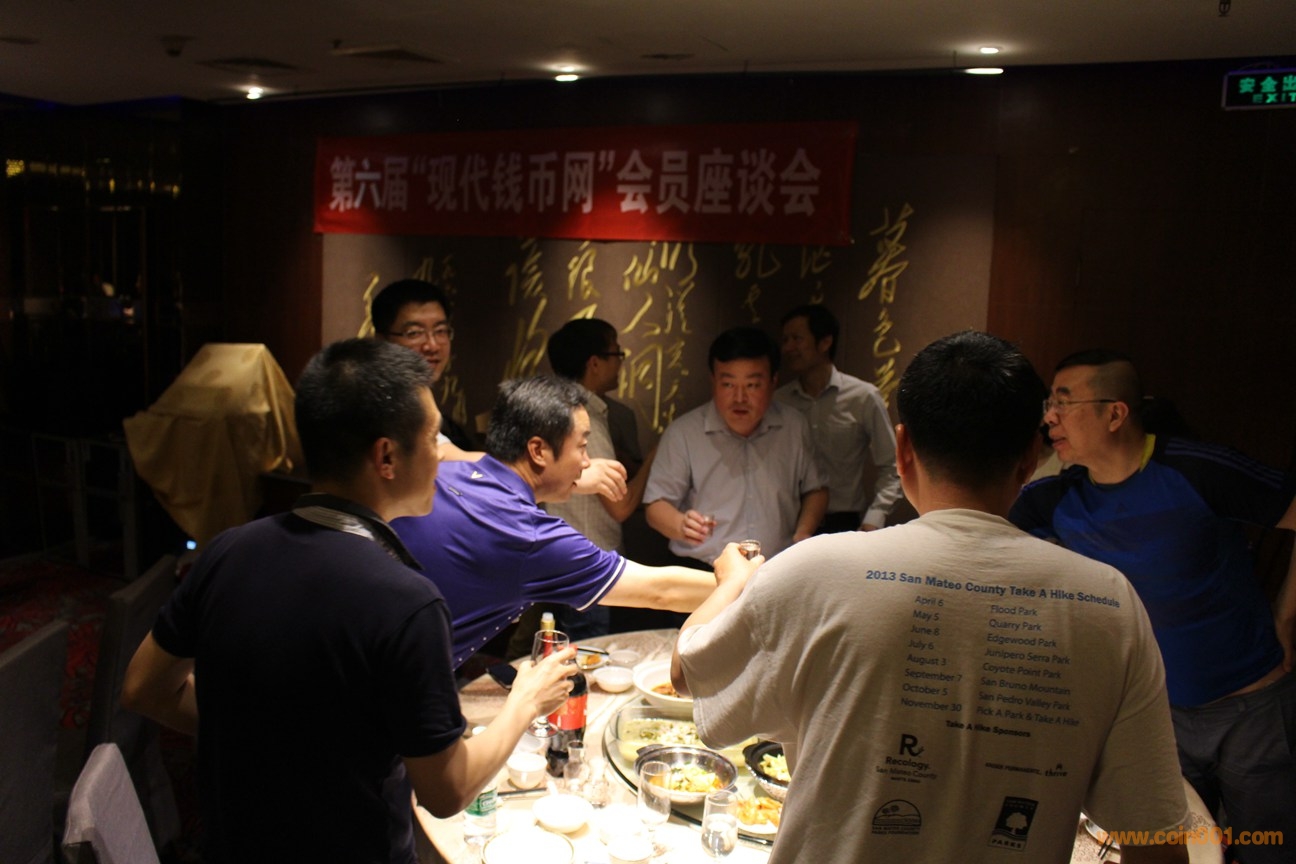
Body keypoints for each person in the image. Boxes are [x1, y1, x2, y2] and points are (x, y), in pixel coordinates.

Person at [671, 331, 1188, 864]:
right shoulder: (1109, 604)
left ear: (902, 450)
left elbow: (688, 672)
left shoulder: (814, 569)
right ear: (1031, 457)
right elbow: (1158, 844)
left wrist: (733, 581)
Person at [121, 339, 576, 864]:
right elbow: (446, 791)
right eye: (433, 439)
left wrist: (258, 732)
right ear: (386, 456)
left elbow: (143, 688)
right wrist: (526, 701)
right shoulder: (406, 600)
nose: (443, 454)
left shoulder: (227, 551)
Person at [1010, 348, 1296, 863]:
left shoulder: (1196, 468)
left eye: (1064, 402)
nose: (1049, 417)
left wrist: (1287, 614)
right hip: (1153, 714)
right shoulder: (1055, 498)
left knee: (1269, 847)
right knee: (1169, 850)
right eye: (1049, 404)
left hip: (1250, 706)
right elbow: (976, 529)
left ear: (1115, 413)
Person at [392, 374, 735, 669]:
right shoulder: (529, 536)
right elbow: (660, 591)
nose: (587, 463)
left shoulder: (450, 471)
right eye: (582, 447)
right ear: (538, 451)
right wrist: (745, 583)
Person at [644, 325, 828, 567]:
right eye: (728, 384)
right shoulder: (684, 433)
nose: (740, 398)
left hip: (776, 567)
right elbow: (656, 505)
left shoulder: (794, 426)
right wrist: (681, 525)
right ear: (713, 381)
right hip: (703, 569)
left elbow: (816, 489)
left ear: (773, 381)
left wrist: (803, 533)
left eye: (752, 385)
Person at [538, 318, 655, 639]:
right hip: (588, 565)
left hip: (566, 559)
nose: (620, 363)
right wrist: (655, 458)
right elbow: (620, 507)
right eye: (616, 354)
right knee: (587, 653)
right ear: (594, 363)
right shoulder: (584, 418)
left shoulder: (559, 409)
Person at [775, 304, 902, 532]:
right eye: (785, 340)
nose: (788, 347)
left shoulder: (863, 396)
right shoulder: (779, 400)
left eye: (797, 339)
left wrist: (874, 518)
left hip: (842, 523)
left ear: (825, 342)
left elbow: (893, 467)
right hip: (787, 523)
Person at [371, 278, 478, 456]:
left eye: (440, 331)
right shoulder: (377, 409)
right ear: (381, 341)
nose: (432, 346)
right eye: (414, 333)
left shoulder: (446, 424)